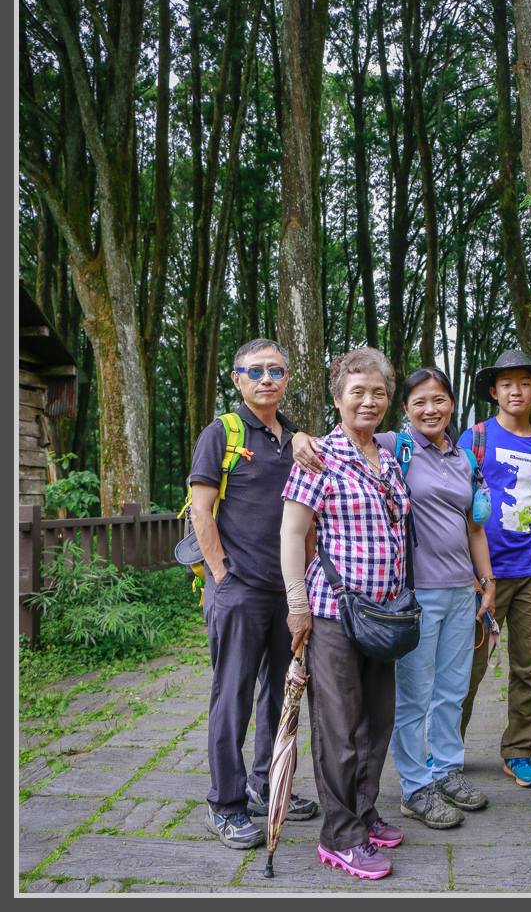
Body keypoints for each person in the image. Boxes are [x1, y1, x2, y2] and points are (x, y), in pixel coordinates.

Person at [293, 367, 496, 829]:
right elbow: (343, 434)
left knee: (453, 690)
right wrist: (298, 437)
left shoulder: (464, 458)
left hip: (461, 591)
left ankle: (447, 771)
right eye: (419, 401)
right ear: (404, 408)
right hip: (414, 594)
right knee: (414, 695)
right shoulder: (394, 447)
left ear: (452, 404)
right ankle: (415, 787)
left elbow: (474, 527)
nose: (431, 409)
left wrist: (487, 581)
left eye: (439, 400)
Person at [280, 347, 411, 881]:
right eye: (358, 392)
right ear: (338, 398)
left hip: (384, 614)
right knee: (339, 726)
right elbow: (291, 534)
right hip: (333, 612)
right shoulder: (319, 456)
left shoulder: (389, 458)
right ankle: (340, 836)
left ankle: (363, 811)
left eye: (378, 392)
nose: (369, 401)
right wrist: (297, 606)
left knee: (377, 721)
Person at [189, 338, 318, 851]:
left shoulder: (294, 439)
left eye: (277, 370)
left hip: (286, 592)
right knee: (233, 698)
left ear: (287, 378)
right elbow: (201, 511)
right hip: (238, 590)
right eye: (256, 370)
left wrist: (303, 585)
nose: (267, 379)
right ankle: (225, 805)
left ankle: (265, 786)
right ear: (237, 378)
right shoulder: (222, 432)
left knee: (280, 695)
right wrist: (222, 576)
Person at [457, 349, 531, 788]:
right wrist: (468, 571)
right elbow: (456, 505)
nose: (516, 391)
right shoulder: (475, 439)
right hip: (482, 573)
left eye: (524, 383)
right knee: (466, 666)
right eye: (506, 384)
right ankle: (446, 751)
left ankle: (519, 752)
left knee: (528, 667)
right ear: (494, 392)